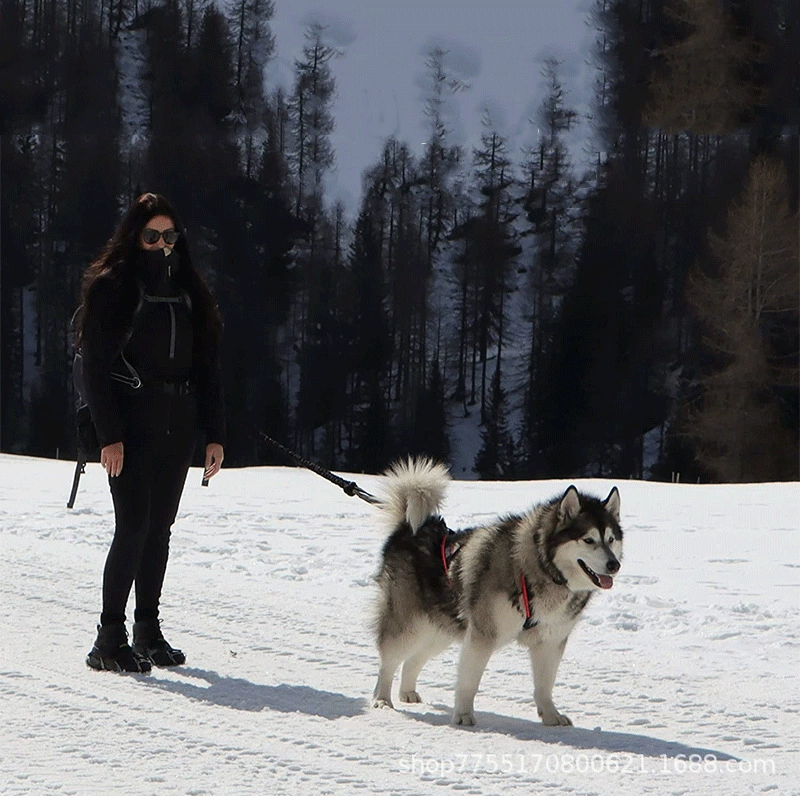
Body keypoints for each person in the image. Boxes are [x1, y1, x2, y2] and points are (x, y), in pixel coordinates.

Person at [74, 192, 226, 673]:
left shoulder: (188, 291)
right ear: (133, 237)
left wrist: (214, 434)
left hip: (176, 427)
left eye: (169, 235)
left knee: (159, 530)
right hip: (130, 428)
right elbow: (95, 370)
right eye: (151, 235)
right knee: (133, 527)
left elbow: (207, 367)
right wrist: (108, 436)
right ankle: (108, 639)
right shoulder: (112, 287)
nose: (162, 244)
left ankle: (147, 631)